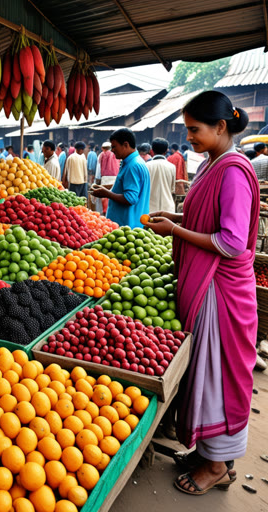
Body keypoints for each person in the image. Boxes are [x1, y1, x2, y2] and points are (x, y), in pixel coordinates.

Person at [146, 90, 259, 496]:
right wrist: (176, 216)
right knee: (205, 371)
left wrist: (175, 231)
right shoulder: (212, 164)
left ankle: (217, 465)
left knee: (219, 376)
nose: (188, 136)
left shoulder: (232, 171)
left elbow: (231, 242)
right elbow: (206, 216)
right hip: (211, 286)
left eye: (194, 130)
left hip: (223, 292)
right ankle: (209, 453)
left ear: (220, 127)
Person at [91, 129, 150, 228]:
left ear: (126, 145)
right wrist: (106, 187)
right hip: (130, 223)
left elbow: (130, 198)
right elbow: (125, 185)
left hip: (127, 226)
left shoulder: (133, 166)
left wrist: (106, 193)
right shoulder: (133, 162)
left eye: (114, 147)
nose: (112, 150)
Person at [146, 138, 176, 213]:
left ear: (152, 150)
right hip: (168, 209)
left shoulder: (146, 166)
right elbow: (172, 189)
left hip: (149, 209)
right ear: (166, 151)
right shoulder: (172, 166)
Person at [97, 141, 120, 213]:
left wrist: (97, 179)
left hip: (105, 177)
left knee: (104, 194)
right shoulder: (116, 154)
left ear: (102, 148)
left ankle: (105, 210)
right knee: (113, 194)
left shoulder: (101, 155)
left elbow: (98, 168)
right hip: (115, 177)